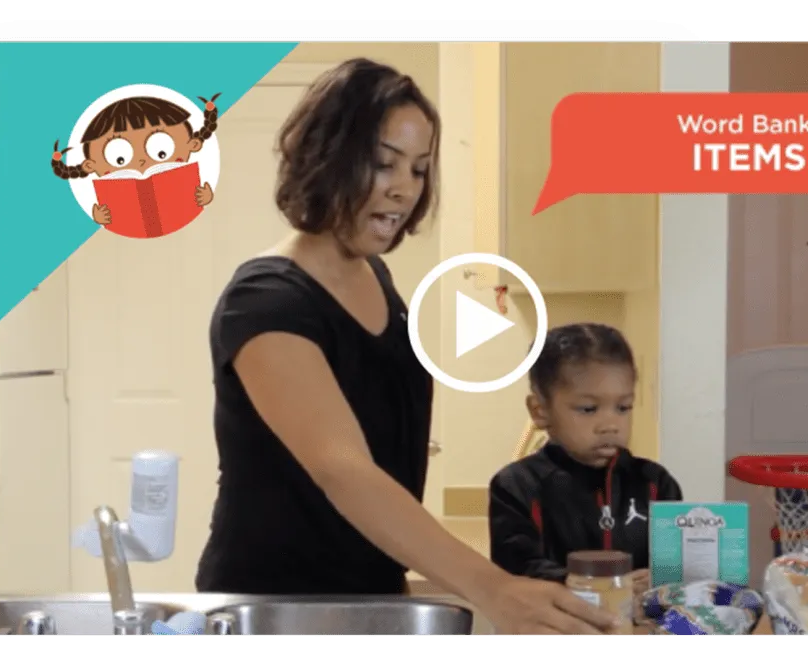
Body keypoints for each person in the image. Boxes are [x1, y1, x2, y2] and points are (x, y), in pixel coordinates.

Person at [194, 58, 619, 636]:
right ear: (323, 156)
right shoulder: (266, 301)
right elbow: (345, 470)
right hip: (273, 607)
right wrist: (491, 587)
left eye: (419, 169)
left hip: (366, 601)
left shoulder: (377, 279)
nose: (404, 187)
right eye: (381, 163)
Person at [489, 323, 684, 595]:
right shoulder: (516, 485)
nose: (610, 424)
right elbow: (515, 569)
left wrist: (659, 579)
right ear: (540, 410)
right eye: (589, 409)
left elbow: (675, 568)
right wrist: (587, 585)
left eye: (623, 407)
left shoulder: (655, 482)